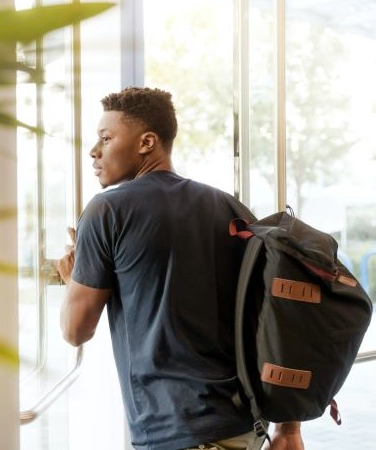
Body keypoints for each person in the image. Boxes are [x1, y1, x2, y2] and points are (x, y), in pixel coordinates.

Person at [56, 87, 305, 450]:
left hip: (176, 432)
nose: (94, 151)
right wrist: (289, 429)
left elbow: (75, 331)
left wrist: (72, 280)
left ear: (147, 142)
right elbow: (276, 315)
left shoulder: (107, 211)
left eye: (106, 138)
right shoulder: (229, 208)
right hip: (245, 426)